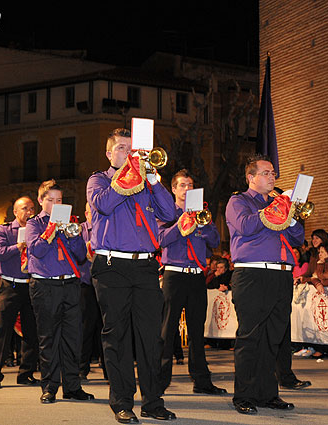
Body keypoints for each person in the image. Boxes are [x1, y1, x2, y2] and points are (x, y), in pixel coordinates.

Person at [87, 128, 177, 423]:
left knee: (152, 338)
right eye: (122, 148)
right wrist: (128, 175)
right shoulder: (98, 179)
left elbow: (169, 213)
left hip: (145, 267)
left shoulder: (148, 184)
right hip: (112, 266)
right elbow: (103, 203)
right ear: (109, 153)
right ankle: (122, 402)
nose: (129, 153)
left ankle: (153, 401)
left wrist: (151, 179)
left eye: (132, 149)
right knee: (118, 337)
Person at [225, 155, 304, 414]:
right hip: (252, 274)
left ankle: (268, 393)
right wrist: (274, 209)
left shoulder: (277, 204)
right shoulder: (239, 201)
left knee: (273, 338)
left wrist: (290, 213)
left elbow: (297, 237)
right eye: (267, 173)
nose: (273, 177)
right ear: (251, 177)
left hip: (281, 274)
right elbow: (246, 226)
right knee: (250, 336)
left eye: (273, 173)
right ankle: (244, 395)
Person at [158, 169, 226, 395]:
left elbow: (215, 240)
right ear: (174, 189)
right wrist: (181, 224)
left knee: (197, 330)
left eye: (190, 185)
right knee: (168, 330)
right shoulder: (167, 212)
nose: (187, 189)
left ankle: (202, 381)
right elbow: (161, 240)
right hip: (174, 275)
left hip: (197, 275)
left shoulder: (201, 213)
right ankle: (160, 381)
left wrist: (202, 224)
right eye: (182, 185)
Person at [26, 179, 94, 404]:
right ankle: (49, 387)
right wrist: (51, 230)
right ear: (41, 201)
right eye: (51, 200)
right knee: (49, 338)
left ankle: (73, 387)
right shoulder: (34, 224)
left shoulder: (71, 223)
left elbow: (81, 256)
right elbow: (36, 250)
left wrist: (74, 236)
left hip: (70, 285)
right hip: (45, 286)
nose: (56, 204)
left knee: (72, 338)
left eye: (60, 200)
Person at [0, 196, 40, 389]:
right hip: (10, 285)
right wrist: (17, 247)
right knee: (3, 331)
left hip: (31, 284)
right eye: (25, 208)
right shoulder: (5, 230)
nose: (29, 212)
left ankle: (26, 373)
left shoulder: (38, 229)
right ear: (15, 212)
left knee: (31, 331)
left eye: (32, 208)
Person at [79, 202, 105, 381]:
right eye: (90, 212)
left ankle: (109, 370)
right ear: (86, 212)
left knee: (106, 328)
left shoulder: (106, 225)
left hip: (105, 284)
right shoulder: (79, 229)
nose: (93, 214)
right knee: (85, 328)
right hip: (85, 284)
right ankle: (81, 368)